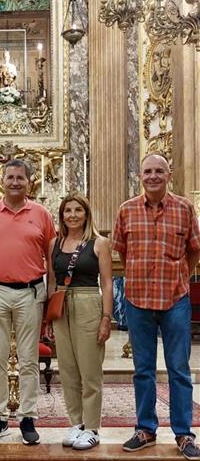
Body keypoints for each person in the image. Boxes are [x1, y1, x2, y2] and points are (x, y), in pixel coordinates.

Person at [112, 152, 200, 459]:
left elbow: (194, 250)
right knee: (143, 369)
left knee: (179, 369)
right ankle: (146, 428)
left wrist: (180, 278)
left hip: (175, 298)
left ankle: (184, 434)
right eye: (148, 171)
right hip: (137, 299)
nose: (153, 176)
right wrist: (140, 274)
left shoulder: (185, 209)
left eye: (159, 171)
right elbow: (121, 253)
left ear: (169, 174)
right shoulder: (126, 211)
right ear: (140, 176)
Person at [0, 159, 56, 445]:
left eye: (20, 177)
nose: (15, 182)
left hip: (31, 291)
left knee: (29, 359)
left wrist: (50, 294)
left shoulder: (42, 214)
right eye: (10, 177)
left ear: (29, 181)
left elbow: (51, 256)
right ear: (2, 180)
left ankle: (28, 417)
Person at [46, 193, 113, 450]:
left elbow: (106, 284)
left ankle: (92, 427)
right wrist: (50, 317)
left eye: (78, 210)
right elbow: (52, 280)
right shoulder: (54, 243)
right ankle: (76, 423)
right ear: (62, 215)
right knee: (68, 369)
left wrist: (106, 318)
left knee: (90, 370)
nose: (72, 215)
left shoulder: (99, 243)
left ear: (86, 214)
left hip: (88, 303)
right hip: (61, 305)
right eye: (67, 211)